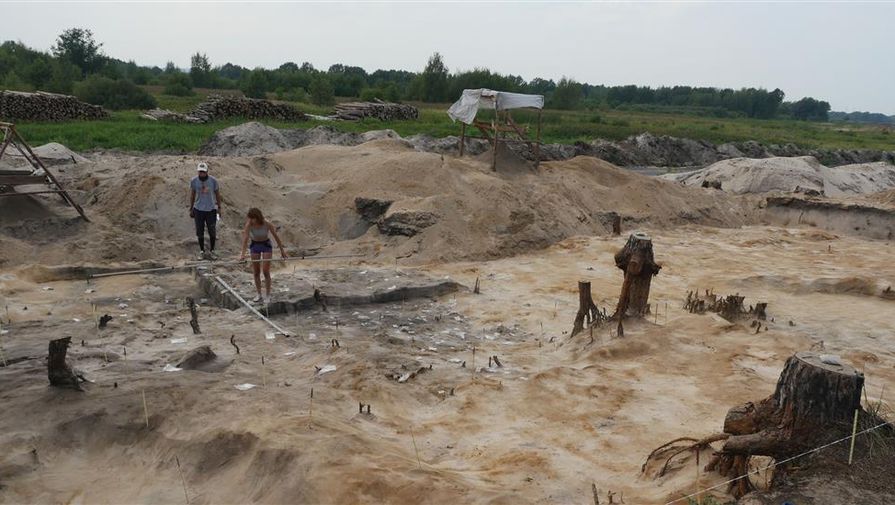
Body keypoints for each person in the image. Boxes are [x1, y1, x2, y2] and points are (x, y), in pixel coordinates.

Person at [240, 208, 287, 303]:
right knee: (256, 272)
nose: (251, 220)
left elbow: (276, 237)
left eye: (252, 218)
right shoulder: (249, 224)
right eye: (250, 218)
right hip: (255, 246)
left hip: (266, 245)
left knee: (266, 271)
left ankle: (268, 295)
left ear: (257, 217)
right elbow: (245, 239)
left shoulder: (266, 223)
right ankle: (259, 294)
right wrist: (243, 255)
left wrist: (282, 251)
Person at [189, 162, 221, 260]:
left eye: (203, 172)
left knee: (212, 230)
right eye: (200, 172)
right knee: (200, 230)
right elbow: (192, 194)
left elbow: (217, 193)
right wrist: (191, 207)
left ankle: (212, 250)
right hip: (198, 209)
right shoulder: (194, 181)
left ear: (207, 171)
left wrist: (219, 207)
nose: (201, 174)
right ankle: (202, 251)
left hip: (211, 209)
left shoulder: (213, 181)